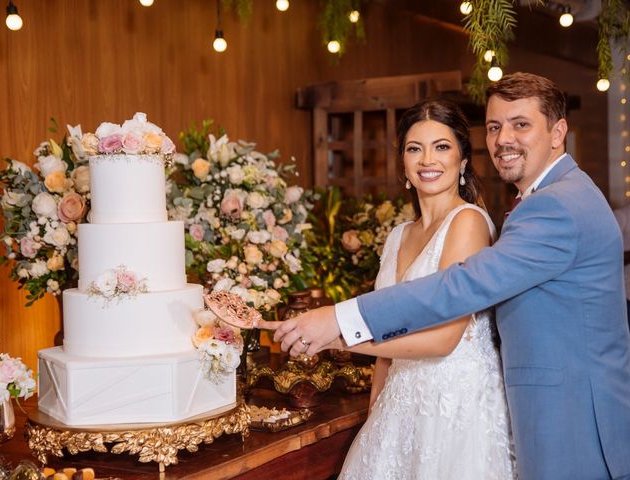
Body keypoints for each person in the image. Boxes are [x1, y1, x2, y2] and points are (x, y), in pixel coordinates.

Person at [262, 73, 630, 480]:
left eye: (520, 124)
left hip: (568, 418)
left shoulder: (556, 205)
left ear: (558, 131)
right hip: (538, 411)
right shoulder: (549, 198)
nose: (504, 138)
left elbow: (462, 286)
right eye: (494, 127)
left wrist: (340, 323)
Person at [334, 99, 516, 479]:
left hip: (455, 408)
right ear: (403, 161)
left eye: (442, 147)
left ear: (463, 160)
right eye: (415, 148)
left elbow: (444, 339)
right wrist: (375, 413)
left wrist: (338, 337)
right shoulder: (397, 236)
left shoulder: (468, 223)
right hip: (399, 408)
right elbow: (386, 333)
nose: (427, 160)